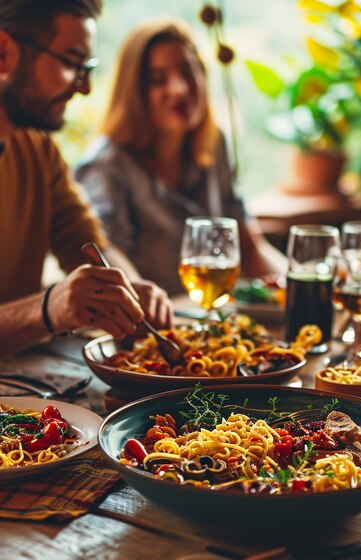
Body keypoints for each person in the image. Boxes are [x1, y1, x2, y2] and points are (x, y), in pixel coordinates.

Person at [0, 0, 173, 356]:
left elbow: (91, 247)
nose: (85, 88)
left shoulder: (38, 149)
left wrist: (127, 286)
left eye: (87, 67)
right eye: (72, 63)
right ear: (3, 52)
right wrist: (46, 309)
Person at [75, 18, 287, 296]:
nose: (179, 89)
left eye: (188, 72)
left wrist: (302, 283)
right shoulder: (106, 166)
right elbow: (107, 253)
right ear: (134, 91)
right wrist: (146, 302)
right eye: (158, 80)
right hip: (148, 330)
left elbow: (250, 247)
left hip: (212, 321)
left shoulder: (215, 144)